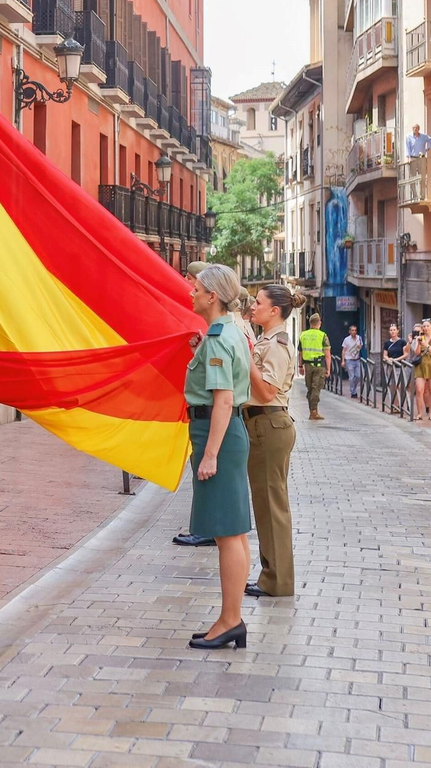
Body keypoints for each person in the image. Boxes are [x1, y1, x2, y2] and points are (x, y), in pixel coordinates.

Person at [182, 262, 253, 651]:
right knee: (235, 532)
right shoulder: (228, 332)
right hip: (227, 434)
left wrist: (210, 454)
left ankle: (230, 620)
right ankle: (231, 618)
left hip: (218, 435)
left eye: (197, 289)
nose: (191, 293)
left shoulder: (217, 339)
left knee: (228, 533)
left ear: (212, 296)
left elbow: (223, 400)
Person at [244, 284, 300, 599]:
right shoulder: (266, 340)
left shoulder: (276, 344)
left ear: (274, 310)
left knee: (272, 506)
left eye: (259, 302)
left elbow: (266, 391)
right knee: (266, 506)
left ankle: (278, 581)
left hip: (269, 422)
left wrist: (247, 360)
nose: (254, 306)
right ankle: (272, 577)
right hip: (264, 424)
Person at [298, 313, 331, 421]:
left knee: (310, 389)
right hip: (319, 366)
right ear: (319, 323)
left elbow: (300, 353)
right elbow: (327, 354)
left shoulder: (303, 335)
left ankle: (312, 410)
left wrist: (300, 366)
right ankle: (313, 412)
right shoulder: (323, 335)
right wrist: (328, 369)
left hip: (307, 366)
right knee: (316, 389)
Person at [412, 322, 431, 424]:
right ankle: (420, 413)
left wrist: (426, 345)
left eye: (428, 326)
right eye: (424, 326)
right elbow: (417, 352)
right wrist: (418, 343)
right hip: (421, 365)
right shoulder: (419, 338)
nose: (426, 328)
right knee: (419, 390)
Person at [341, 325, 365, 398]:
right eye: (352, 330)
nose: (354, 332)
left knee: (358, 376)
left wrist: (359, 347)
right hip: (349, 360)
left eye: (355, 330)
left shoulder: (359, 338)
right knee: (351, 377)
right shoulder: (346, 340)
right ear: (349, 332)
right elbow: (343, 350)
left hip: (357, 360)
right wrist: (343, 361)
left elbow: (361, 346)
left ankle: (353, 388)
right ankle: (353, 392)